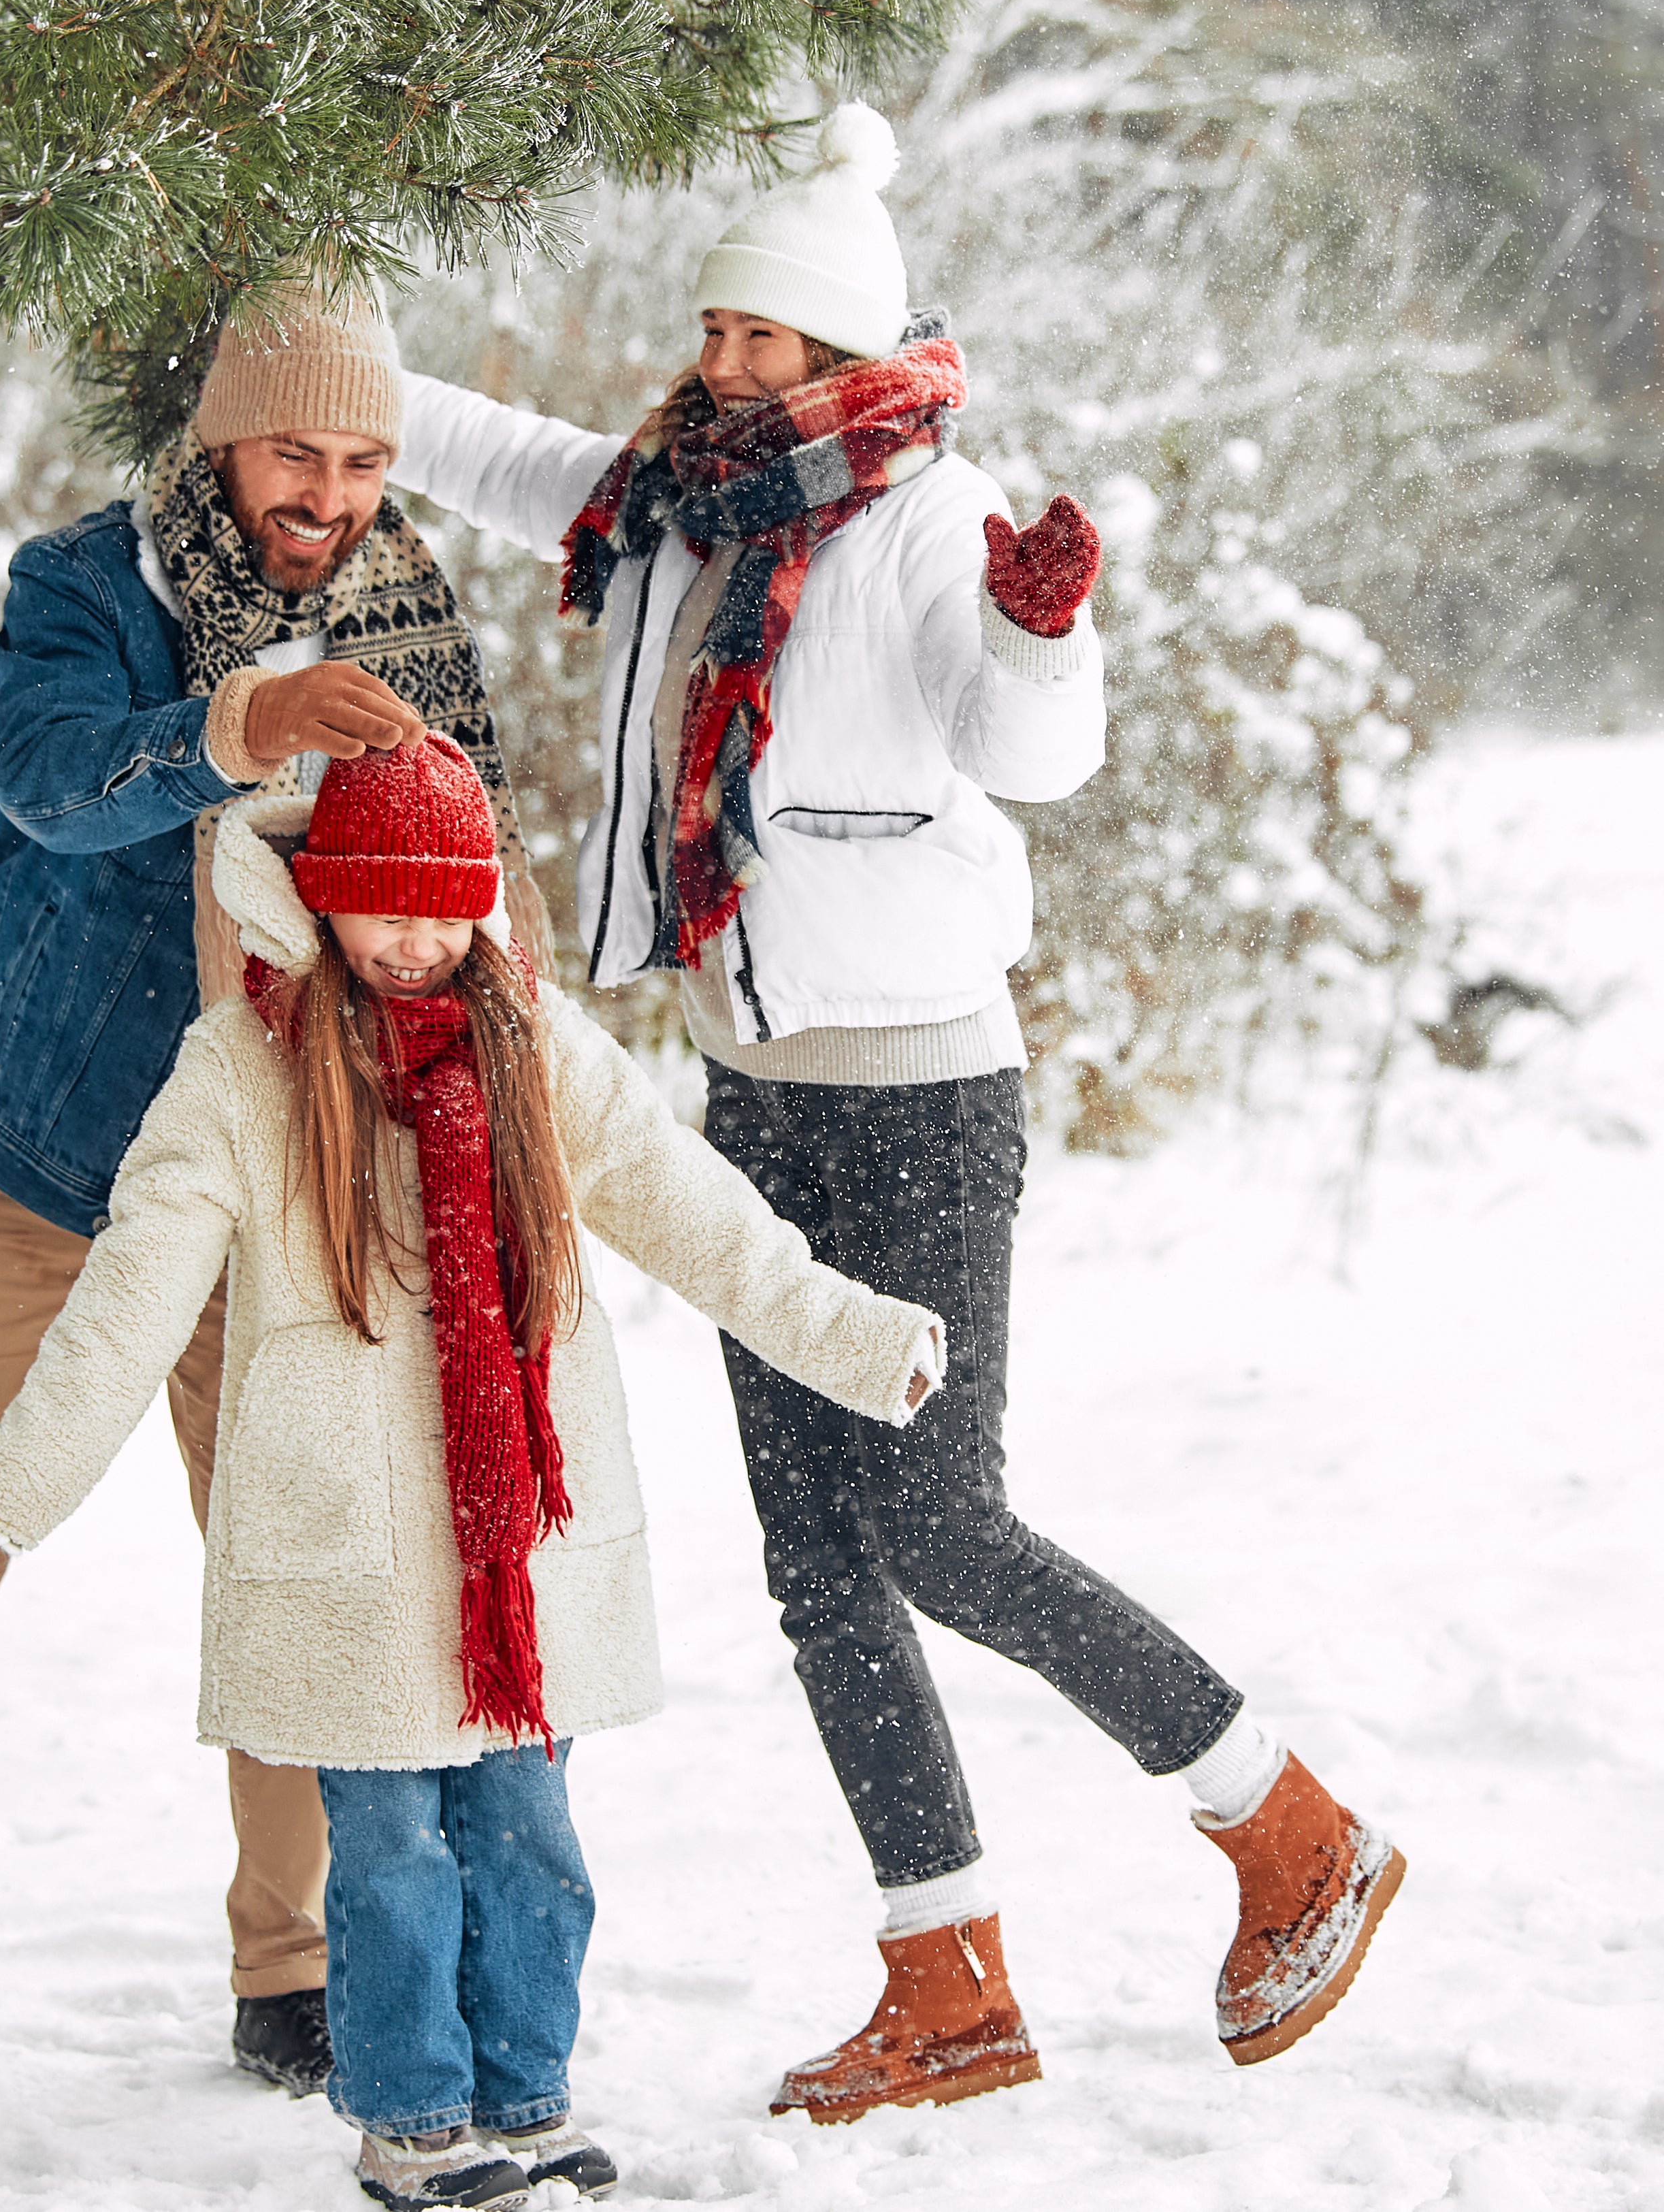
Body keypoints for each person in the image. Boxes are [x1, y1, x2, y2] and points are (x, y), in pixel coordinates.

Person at [386, 103, 1403, 2119]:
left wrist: (1047, 631)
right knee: (814, 1556)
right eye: (716, 329)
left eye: (767, 338)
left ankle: (1283, 1824)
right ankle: (945, 1974)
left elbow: (1029, 749)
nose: (728, 364)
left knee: (937, 1516)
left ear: (848, 350)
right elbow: (502, 460)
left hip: (924, 1094)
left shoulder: (935, 515)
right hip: (755, 1089)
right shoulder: (688, 504)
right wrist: (330, 366)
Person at [0, 734, 949, 2211]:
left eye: (439, 903)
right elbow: (130, 1295)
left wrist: (853, 1339)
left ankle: (524, 2092)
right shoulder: (241, 1065)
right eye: (378, 902)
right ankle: (411, 2118)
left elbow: (698, 1216)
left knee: (528, 1835)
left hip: (521, 1542)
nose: (411, 936)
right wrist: (16, 1477)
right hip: (350, 1541)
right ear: (319, 896)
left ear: (479, 902)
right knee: (393, 1855)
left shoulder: (539, 1046)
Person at [0, 284, 553, 2098]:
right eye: (297, 451)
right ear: (220, 438)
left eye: (365, 458)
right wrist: (242, 719)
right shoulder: (83, 583)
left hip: (265, 1176)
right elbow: (48, 787)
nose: (330, 492)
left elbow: (450, 907)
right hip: (28, 1146)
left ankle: (293, 1972)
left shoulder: (405, 620)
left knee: (294, 1575)